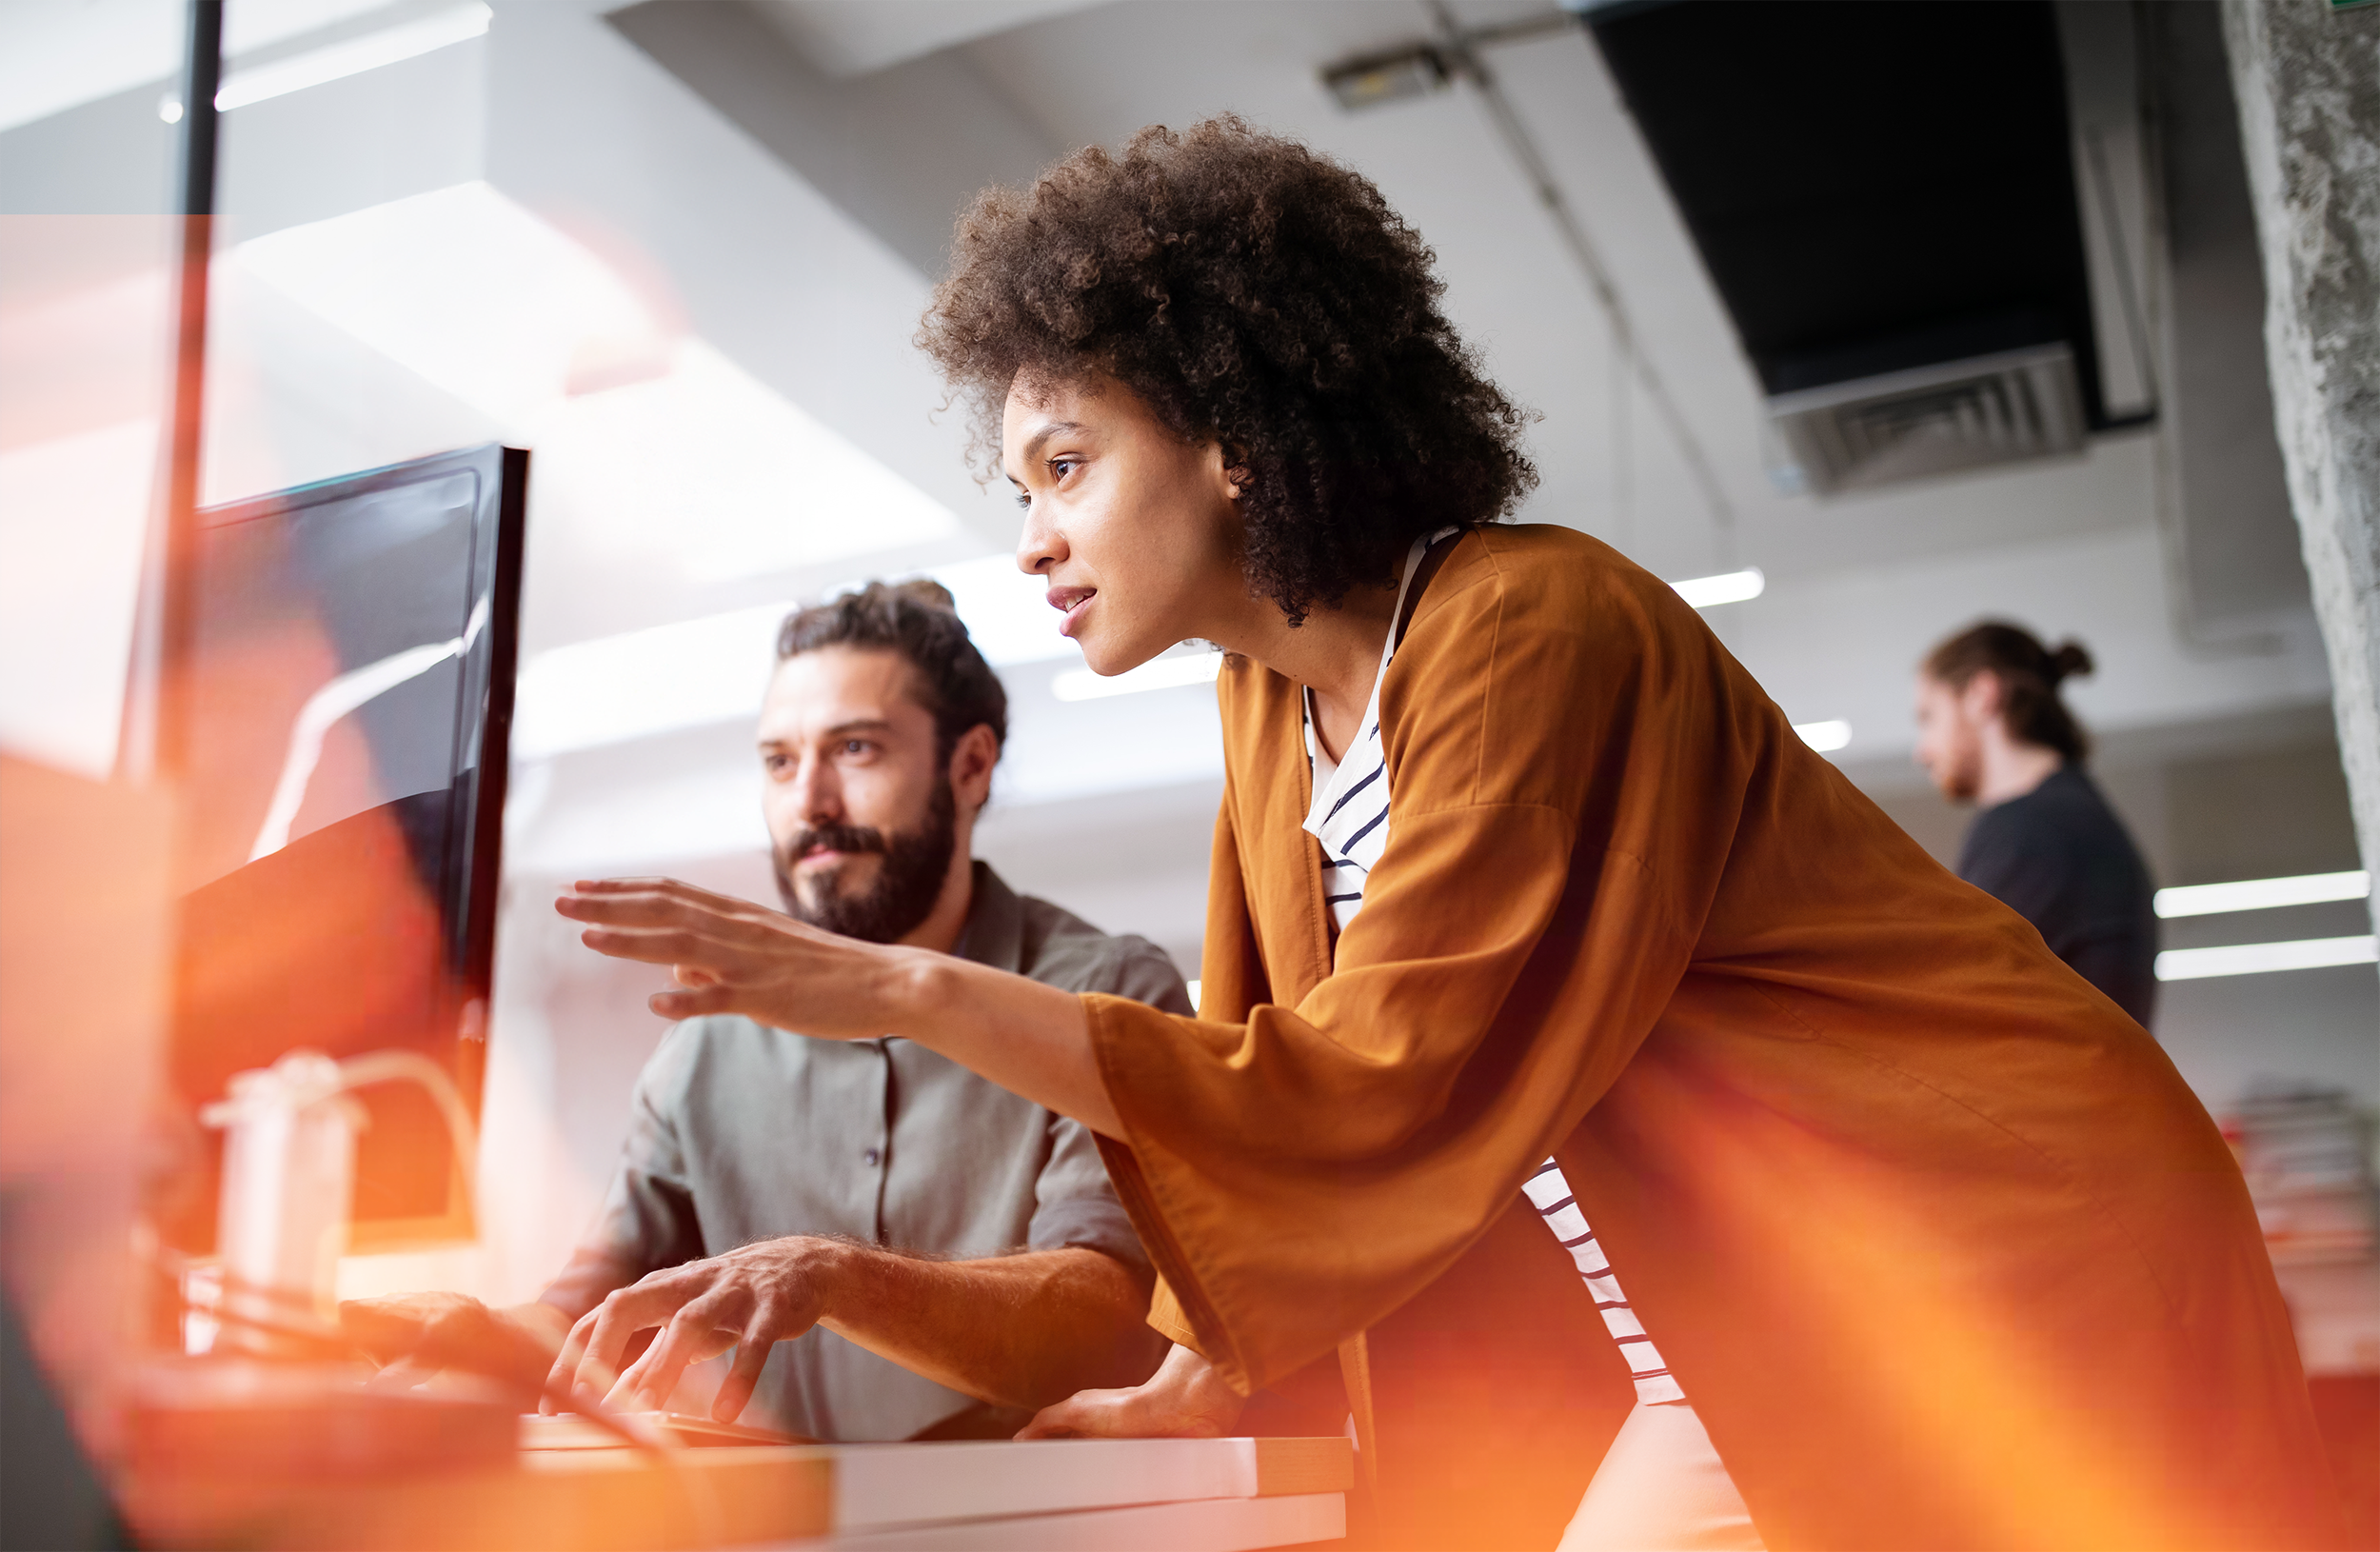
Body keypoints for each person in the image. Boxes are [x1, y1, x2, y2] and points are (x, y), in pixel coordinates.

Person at [552, 119, 2344, 1552]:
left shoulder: (1532, 631)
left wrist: (894, 988)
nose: (1033, 538)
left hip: (1996, 1255)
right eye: (1020, 486)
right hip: (1725, 1337)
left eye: (1067, 465)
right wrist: (1186, 1379)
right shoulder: (1272, 707)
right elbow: (1269, 1114)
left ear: (1235, 438)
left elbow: (1364, 1086)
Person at [346, 581, 1182, 1441]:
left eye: (854, 750)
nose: (809, 802)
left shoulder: (1106, 995)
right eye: (779, 762)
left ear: (969, 766)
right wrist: (493, 1335)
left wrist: (834, 1276)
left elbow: (1109, 1325)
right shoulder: (707, 1041)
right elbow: (591, 1312)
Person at [1914, 622, 2159, 1025]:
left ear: (1981, 694)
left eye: (1929, 717)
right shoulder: (2071, 816)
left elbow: (1956, 1007)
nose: (1921, 752)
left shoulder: (2028, 829)